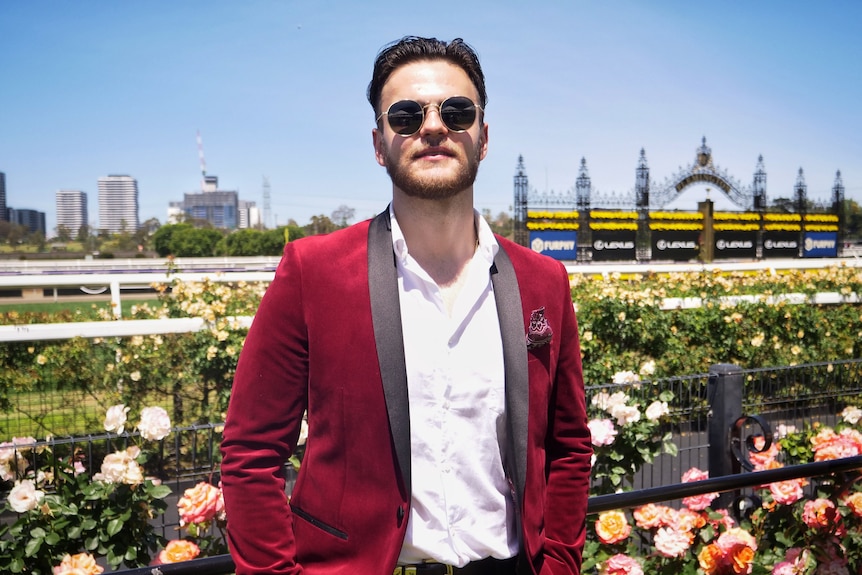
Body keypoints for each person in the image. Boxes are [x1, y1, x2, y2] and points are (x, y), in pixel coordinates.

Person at [220, 36, 593, 575]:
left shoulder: (543, 282)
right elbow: (251, 453)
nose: (434, 126)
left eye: (457, 111)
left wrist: (560, 564)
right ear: (379, 144)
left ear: (483, 138)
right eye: (406, 114)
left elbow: (568, 446)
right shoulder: (313, 271)